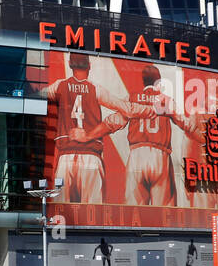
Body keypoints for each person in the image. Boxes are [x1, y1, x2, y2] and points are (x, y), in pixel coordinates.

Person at [36, 53, 142, 203]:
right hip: (91, 157)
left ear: (70, 64)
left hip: (66, 157)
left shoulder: (60, 85)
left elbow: (37, 96)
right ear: (89, 66)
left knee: (62, 215)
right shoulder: (96, 89)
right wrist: (149, 109)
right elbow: (126, 109)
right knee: (92, 215)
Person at [122, 64, 199, 206]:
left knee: (134, 214)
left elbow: (117, 121)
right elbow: (185, 124)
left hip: (136, 154)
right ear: (159, 81)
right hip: (159, 155)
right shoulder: (166, 99)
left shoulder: (131, 97)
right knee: (164, 213)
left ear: (143, 80)